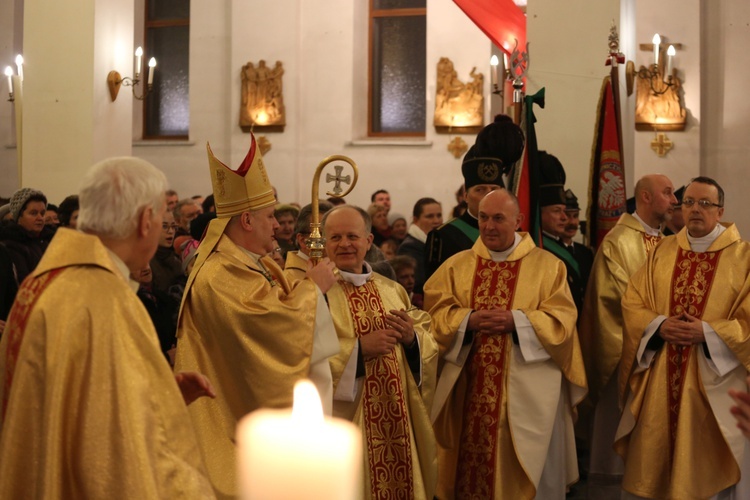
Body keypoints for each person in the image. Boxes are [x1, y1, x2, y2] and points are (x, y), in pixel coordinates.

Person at [0, 157, 215, 498]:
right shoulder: (106, 302)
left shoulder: (44, 282)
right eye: (161, 219)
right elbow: (116, 456)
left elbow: (78, 406)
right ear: (146, 220)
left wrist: (161, 397)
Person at [174, 135, 340, 498]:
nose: (277, 226)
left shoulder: (253, 263)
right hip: (228, 429)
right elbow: (266, 330)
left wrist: (303, 281)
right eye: (269, 217)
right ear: (247, 220)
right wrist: (313, 289)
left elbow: (274, 306)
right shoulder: (219, 273)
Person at [424, 189, 587, 499]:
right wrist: (467, 321)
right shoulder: (456, 266)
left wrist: (518, 322)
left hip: (527, 394)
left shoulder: (548, 266)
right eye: (483, 218)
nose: (489, 226)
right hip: (467, 390)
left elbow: (563, 322)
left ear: (518, 221)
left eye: (498, 218)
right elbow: (433, 315)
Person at [616, 176, 750, 499]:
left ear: (720, 211)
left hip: (716, 384)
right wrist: (658, 326)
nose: (694, 210)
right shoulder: (662, 251)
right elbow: (633, 302)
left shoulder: (743, 258)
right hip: (662, 377)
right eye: (688, 202)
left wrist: (706, 331)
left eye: (705, 204)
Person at [322, 205, 438, 500]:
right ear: (324, 243)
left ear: (368, 240)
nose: (345, 244)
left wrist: (413, 339)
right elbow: (305, 352)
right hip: (348, 422)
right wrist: (359, 350)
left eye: (352, 236)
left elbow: (425, 335)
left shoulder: (392, 289)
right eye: (335, 237)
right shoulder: (316, 293)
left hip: (397, 416)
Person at [578, 173, 677, 491]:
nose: (674, 200)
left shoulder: (665, 241)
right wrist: (660, 324)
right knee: (618, 439)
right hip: (626, 354)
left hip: (661, 352)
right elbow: (620, 299)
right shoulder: (619, 241)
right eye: (667, 193)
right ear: (646, 197)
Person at [425, 114, 524, 279]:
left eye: (494, 188)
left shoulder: (515, 231)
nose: (489, 195)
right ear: (465, 195)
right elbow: (432, 290)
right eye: (480, 190)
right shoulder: (443, 236)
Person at [398, 197, 442, 296]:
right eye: (430, 216)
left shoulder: (438, 242)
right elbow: (419, 283)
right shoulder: (409, 247)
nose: (436, 220)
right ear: (415, 220)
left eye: (439, 215)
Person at [283, 200, 334, 286]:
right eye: (323, 234)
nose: (338, 242)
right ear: (303, 240)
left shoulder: (338, 272)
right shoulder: (288, 281)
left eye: (336, 235)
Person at [561, 189, 594, 297]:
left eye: (575, 216)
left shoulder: (586, 253)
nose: (572, 222)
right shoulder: (550, 251)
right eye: (567, 216)